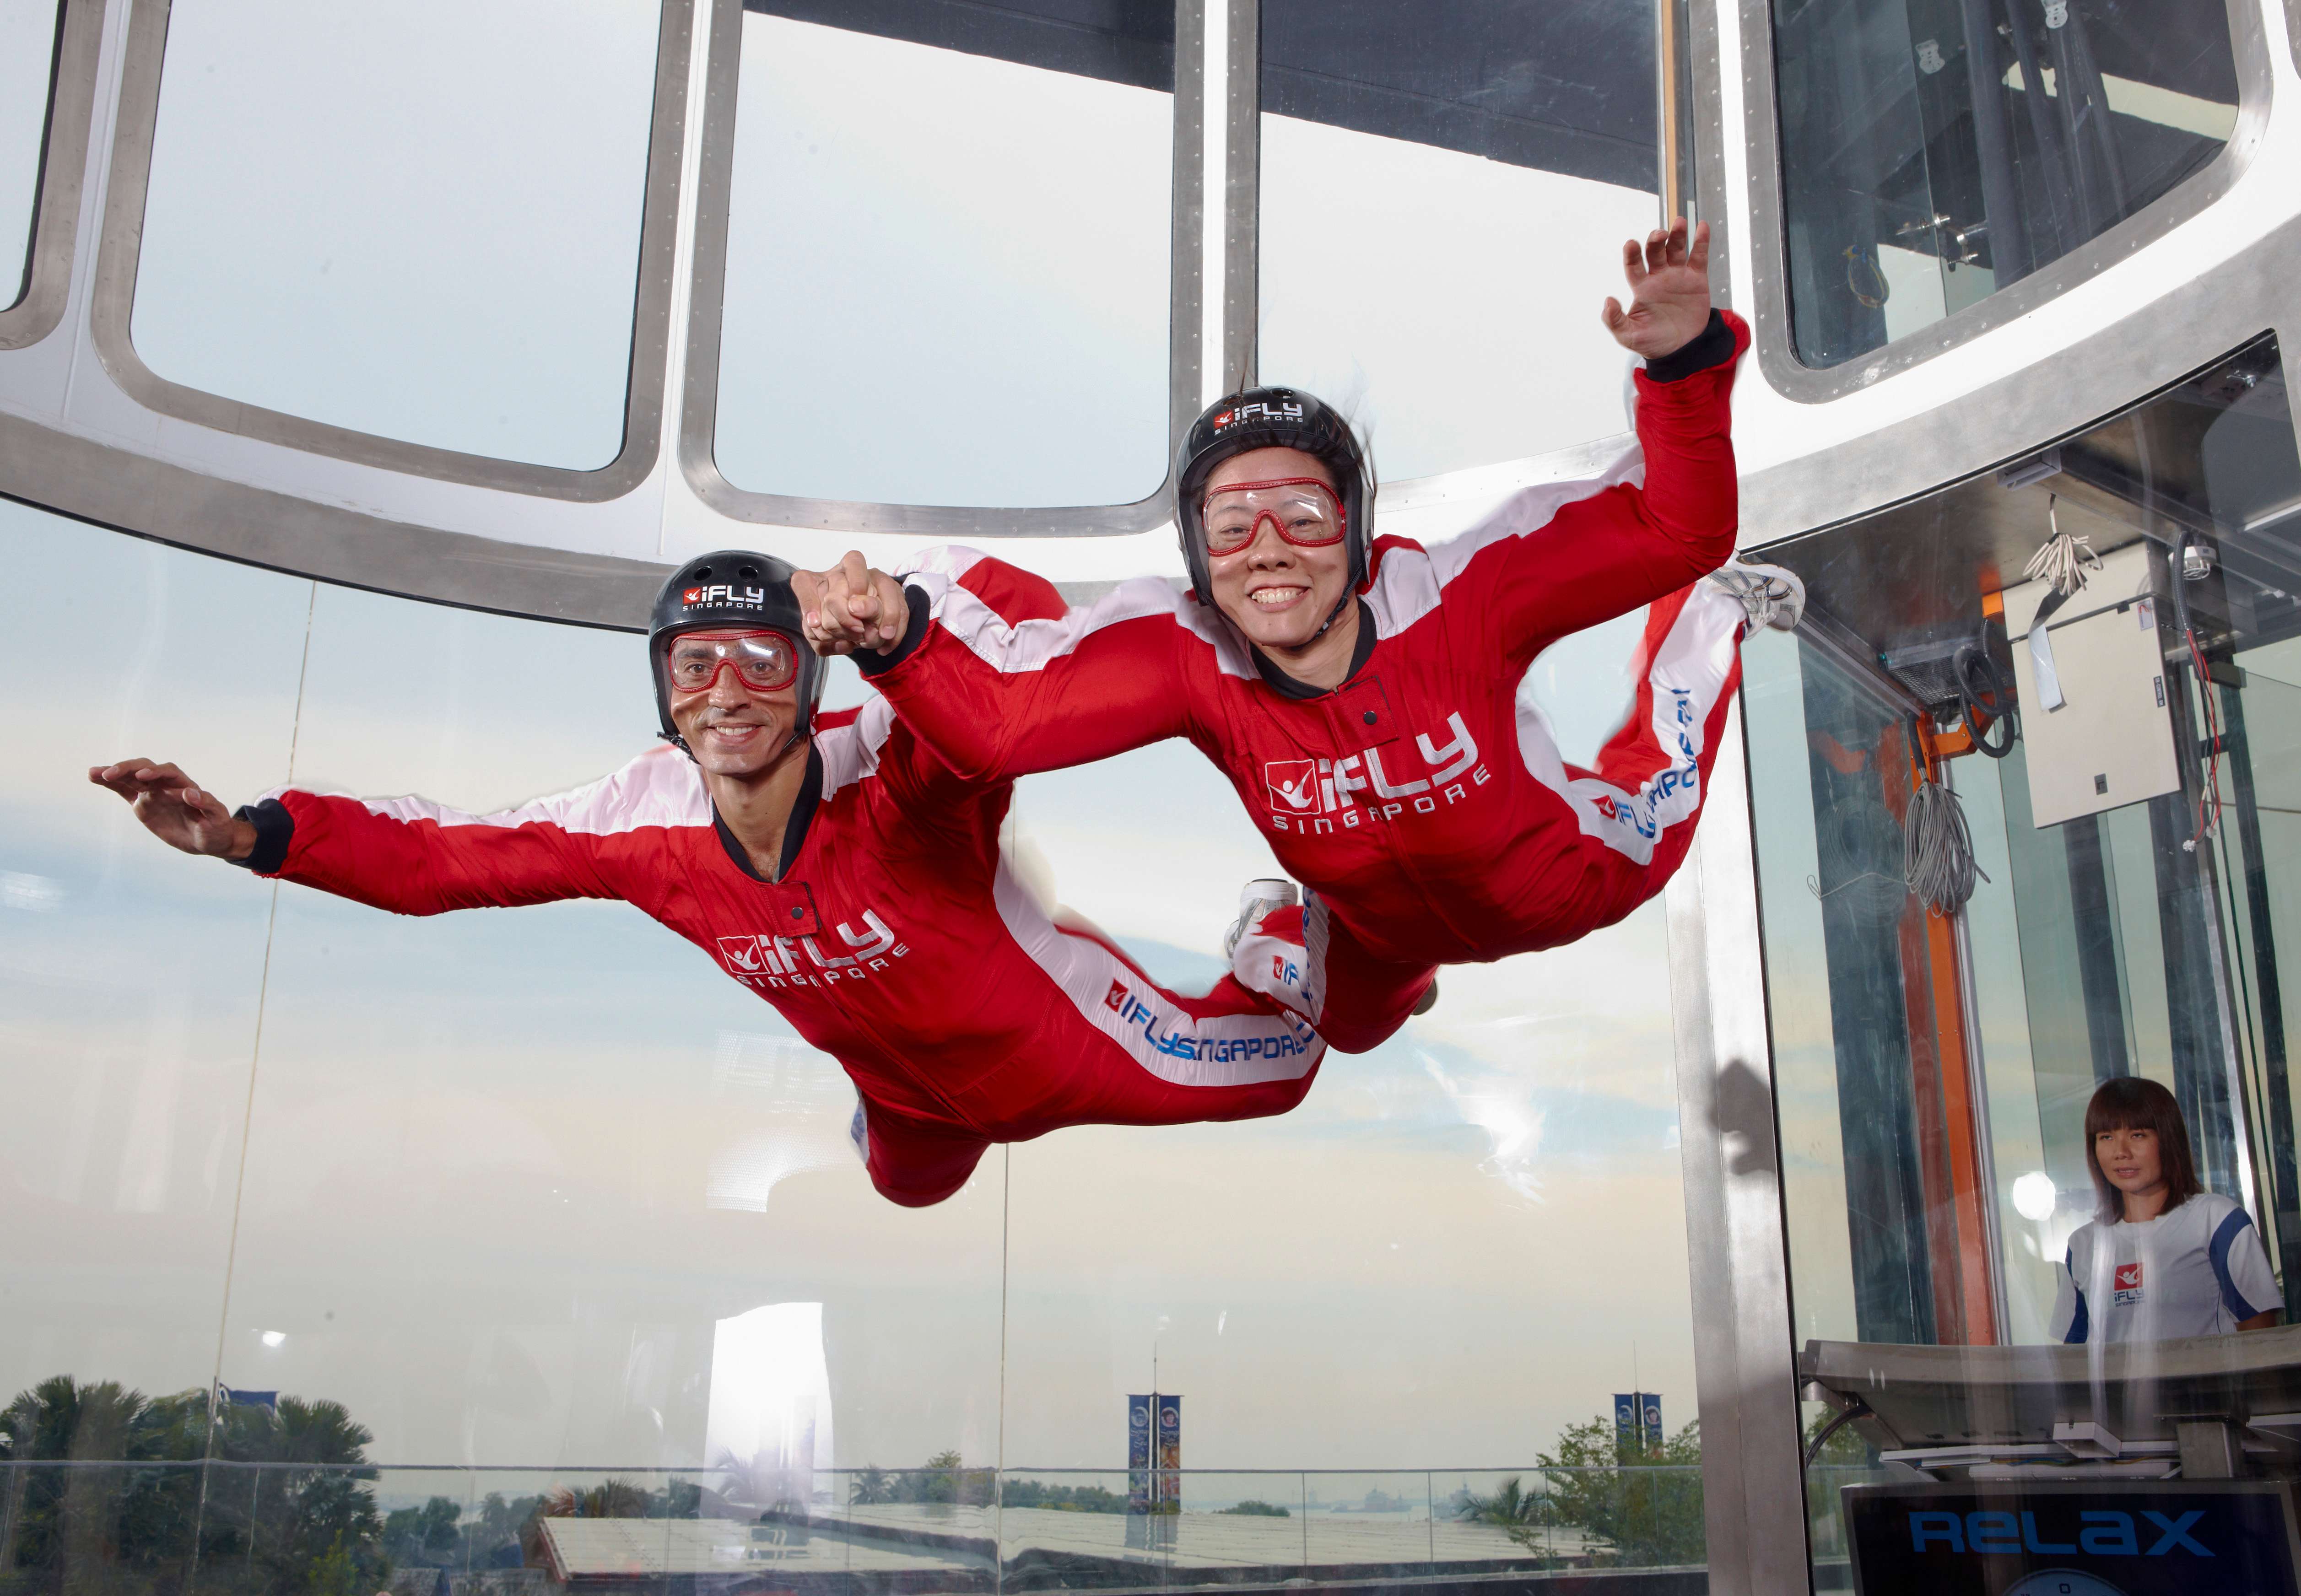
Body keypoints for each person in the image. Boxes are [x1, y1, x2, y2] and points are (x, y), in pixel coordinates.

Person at [796, 219, 1802, 1051]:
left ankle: (1711, 616)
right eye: (1231, 525)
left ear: (1355, 534)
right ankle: (1292, 929)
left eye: (1304, 516)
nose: (1269, 549)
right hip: (1376, 934)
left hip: (1564, 879)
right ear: (1197, 558)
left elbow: (1676, 527)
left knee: (1664, 786)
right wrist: (894, 632)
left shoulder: (1459, 598)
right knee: (1351, 1032)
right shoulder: (1190, 658)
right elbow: (1002, 727)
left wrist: (1683, 366)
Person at [88, 553, 1323, 1209]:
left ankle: (1280, 925)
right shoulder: (644, 820)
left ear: (809, 679)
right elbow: (440, 855)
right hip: (904, 1093)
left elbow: (1015, 631)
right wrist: (249, 836)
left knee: (1282, 1076)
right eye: (694, 665)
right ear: (663, 694)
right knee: (908, 1188)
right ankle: (894, 1118)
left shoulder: (887, 765)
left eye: (760, 661)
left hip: (1066, 1043)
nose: (727, 690)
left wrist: (903, 617)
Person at [2050, 1075, 2280, 1344]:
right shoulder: (2083, 1244)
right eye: (2107, 1137)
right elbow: (2073, 1357)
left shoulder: (2216, 1220)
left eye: (2137, 1135)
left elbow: (2262, 1340)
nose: (2121, 1152)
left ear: (2169, 1140)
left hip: (2209, 1374)